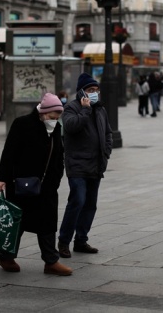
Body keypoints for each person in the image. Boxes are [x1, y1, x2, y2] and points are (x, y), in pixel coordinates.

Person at [0, 93, 72, 276]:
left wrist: (57, 178)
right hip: (22, 185)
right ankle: (6, 257)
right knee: (18, 222)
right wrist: (1, 178)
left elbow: (59, 156)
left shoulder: (55, 128)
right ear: (43, 113)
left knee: (47, 223)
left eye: (57, 118)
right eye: (52, 117)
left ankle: (51, 262)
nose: (54, 121)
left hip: (46, 187)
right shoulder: (22, 124)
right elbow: (9, 153)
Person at [58, 72, 113, 258]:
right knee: (77, 201)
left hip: (96, 164)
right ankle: (64, 241)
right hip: (77, 165)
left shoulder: (101, 110)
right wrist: (85, 110)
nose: (95, 93)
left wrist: (106, 152)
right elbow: (71, 127)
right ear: (81, 92)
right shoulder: (71, 108)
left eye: (96, 90)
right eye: (91, 90)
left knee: (90, 204)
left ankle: (81, 240)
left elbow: (108, 133)